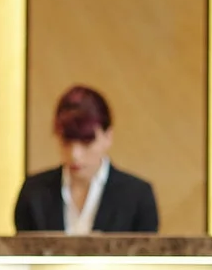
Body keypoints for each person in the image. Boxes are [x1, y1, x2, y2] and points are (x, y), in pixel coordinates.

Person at [13, 85, 160, 233]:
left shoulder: (137, 196)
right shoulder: (34, 192)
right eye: (67, 142)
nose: (74, 154)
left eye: (86, 142)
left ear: (108, 136)